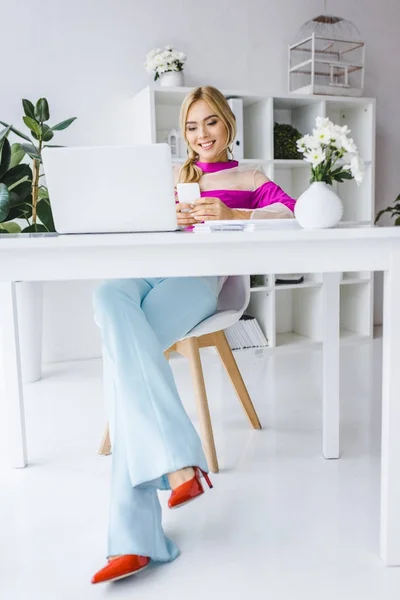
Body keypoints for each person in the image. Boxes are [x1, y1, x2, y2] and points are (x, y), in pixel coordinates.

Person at [91, 85, 295, 584]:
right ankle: (181, 463)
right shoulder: (172, 178)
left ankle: (135, 541)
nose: (201, 134)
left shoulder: (250, 176)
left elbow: (292, 216)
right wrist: (165, 218)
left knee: (123, 368)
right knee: (106, 296)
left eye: (210, 122)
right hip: (152, 271)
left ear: (228, 124)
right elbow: (135, 226)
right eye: (190, 126)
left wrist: (236, 215)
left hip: (201, 279)